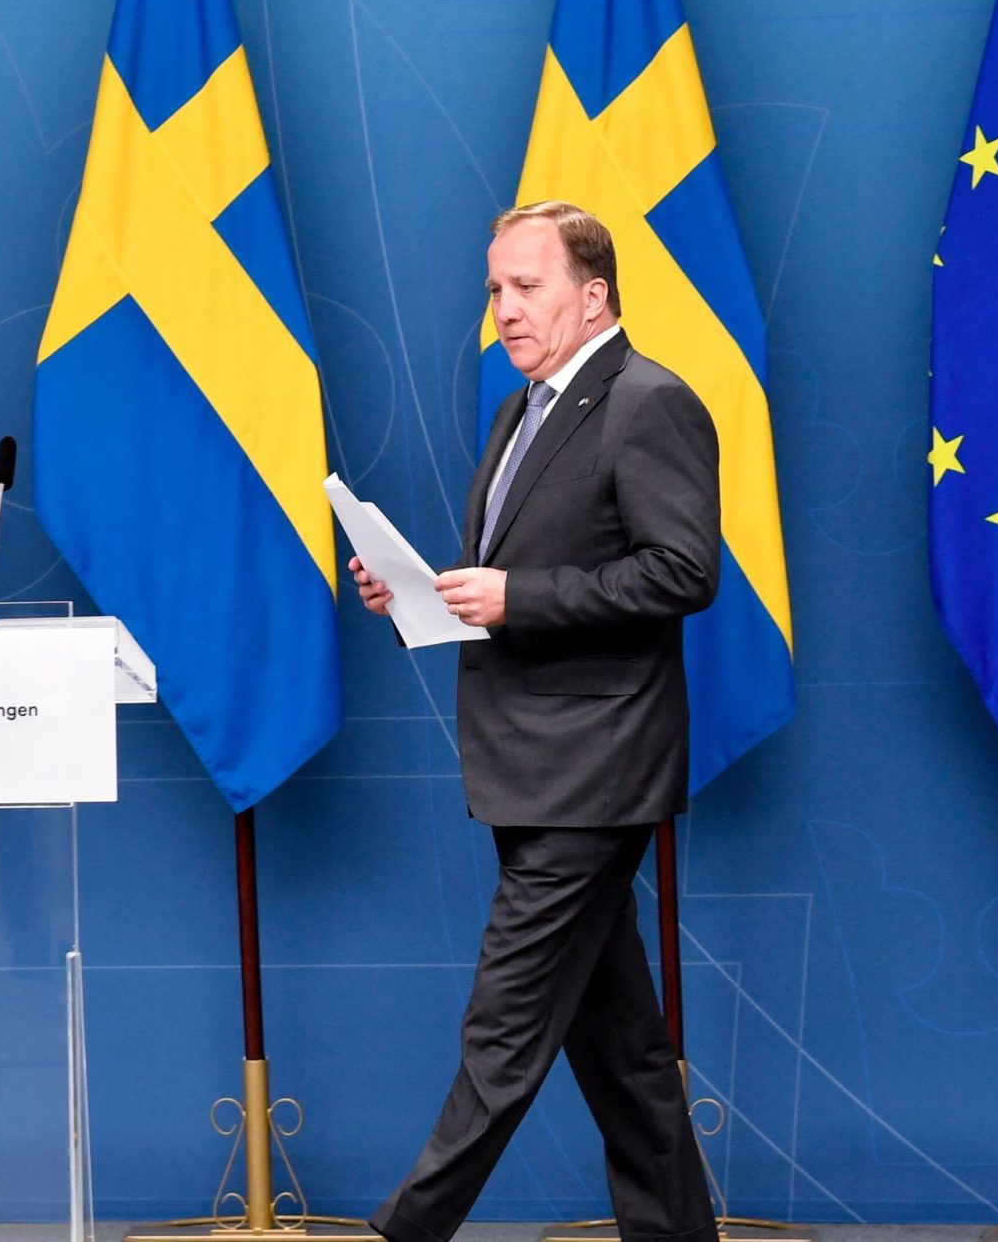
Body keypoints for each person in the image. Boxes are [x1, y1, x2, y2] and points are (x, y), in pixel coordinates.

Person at [351, 200, 720, 1242]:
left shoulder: (648, 401)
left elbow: (684, 571)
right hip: (530, 764)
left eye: (525, 286)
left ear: (591, 293)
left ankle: (404, 1231)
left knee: (503, 1032)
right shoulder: (523, 410)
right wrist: (417, 593)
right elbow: (524, 572)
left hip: (592, 772)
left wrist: (520, 595)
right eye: (495, 289)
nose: (503, 309)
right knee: (622, 1049)